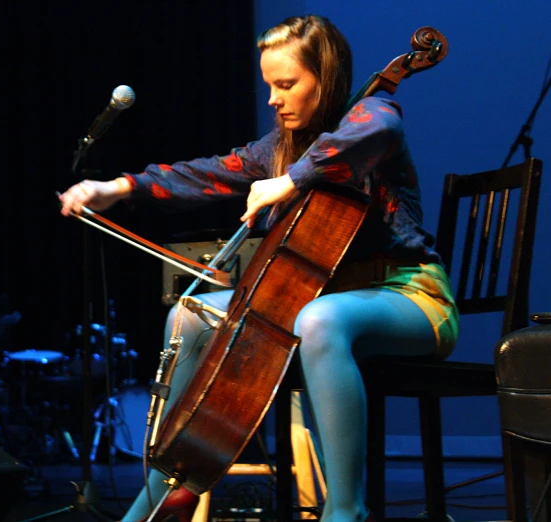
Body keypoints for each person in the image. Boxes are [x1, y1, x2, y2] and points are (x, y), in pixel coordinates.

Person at [59, 14, 459, 522]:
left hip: (409, 297)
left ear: (326, 77)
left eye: (287, 84)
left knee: (318, 320)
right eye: (270, 84)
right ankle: (161, 496)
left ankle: (345, 510)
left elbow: (379, 128)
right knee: (191, 314)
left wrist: (291, 181)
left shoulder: (370, 116)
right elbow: (202, 175)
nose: (273, 98)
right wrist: (117, 188)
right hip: (322, 301)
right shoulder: (278, 148)